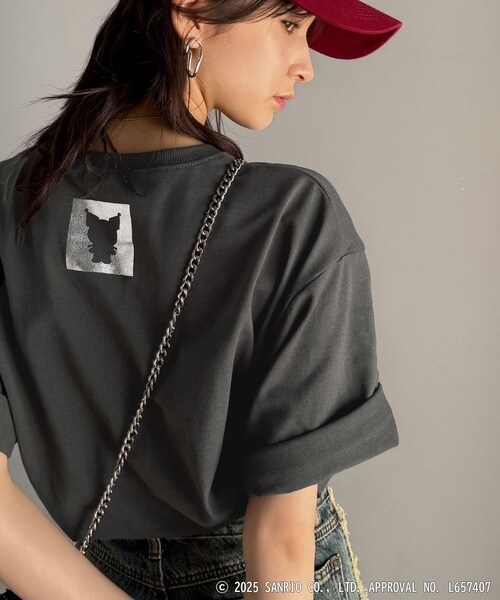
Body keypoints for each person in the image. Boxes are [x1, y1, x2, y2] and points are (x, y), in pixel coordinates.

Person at [0, 0, 403, 598]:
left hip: (76, 573)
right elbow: (281, 535)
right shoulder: (289, 218)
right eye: (289, 25)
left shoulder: (12, 200)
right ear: (190, 11)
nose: (306, 65)